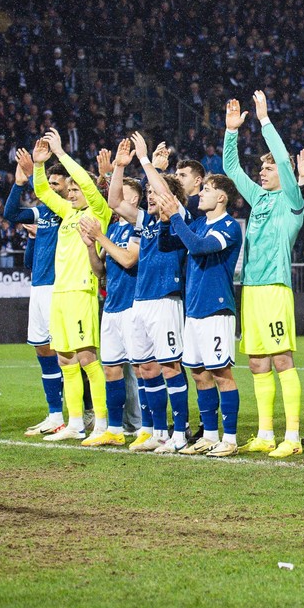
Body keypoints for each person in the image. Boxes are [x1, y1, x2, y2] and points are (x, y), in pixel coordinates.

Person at [222, 91, 304, 457]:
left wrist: (265, 120)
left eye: (268, 168)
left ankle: (293, 437)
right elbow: (231, 170)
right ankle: (266, 433)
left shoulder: (291, 200)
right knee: (256, 362)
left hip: (275, 288)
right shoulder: (259, 199)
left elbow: (286, 166)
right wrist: (231, 132)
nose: (263, 172)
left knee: (282, 359)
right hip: (251, 290)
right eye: (263, 169)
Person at [30, 128, 112, 442]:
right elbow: (42, 192)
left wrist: (62, 153)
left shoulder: (98, 212)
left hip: (81, 291)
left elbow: (92, 187)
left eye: (77, 189)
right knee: (65, 358)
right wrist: (40, 165)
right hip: (60, 293)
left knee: (87, 357)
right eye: (72, 189)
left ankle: (102, 423)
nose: (72, 193)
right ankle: (75, 423)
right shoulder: (67, 213)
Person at [109, 134, 190, 452]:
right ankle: (158, 432)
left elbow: (165, 191)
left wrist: (146, 161)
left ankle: (180, 434)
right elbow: (115, 202)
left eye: (156, 194)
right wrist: (119, 166)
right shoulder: (147, 224)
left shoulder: (179, 218)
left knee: (170, 366)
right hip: (140, 302)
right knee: (145, 367)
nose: (150, 198)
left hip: (166, 301)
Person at [159, 173, 244, 457]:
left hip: (216, 309)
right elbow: (167, 245)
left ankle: (229, 439)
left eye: (206, 190)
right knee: (198, 373)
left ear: (222, 197)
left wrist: (176, 219)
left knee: (221, 373)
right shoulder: (197, 223)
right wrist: (164, 221)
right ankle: (209, 435)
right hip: (193, 310)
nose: (201, 195)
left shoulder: (229, 227)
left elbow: (198, 247)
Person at [4, 148, 67, 437]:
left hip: (61, 286)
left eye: (56, 184)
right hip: (39, 287)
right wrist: (19, 183)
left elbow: (47, 196)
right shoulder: (42, 213)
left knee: (69, 353)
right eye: (49, 183)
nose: (50, 189)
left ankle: (84, 412)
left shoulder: (68, 210)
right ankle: (55, 413)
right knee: (42, 348)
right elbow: (11, 213)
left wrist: (33, 175)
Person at [82, 165, 141, 448]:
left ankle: (146, 428)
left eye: (123, 194)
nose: (116, 199)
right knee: (111, 370)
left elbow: (130, 260)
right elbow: (100, 271)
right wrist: (90, 247)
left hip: (133, 307)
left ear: (134, 201)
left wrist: (101, 237)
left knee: (142, 369)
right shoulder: (115, 227)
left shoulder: (138, 227)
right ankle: (116, 430)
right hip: (112, 306)